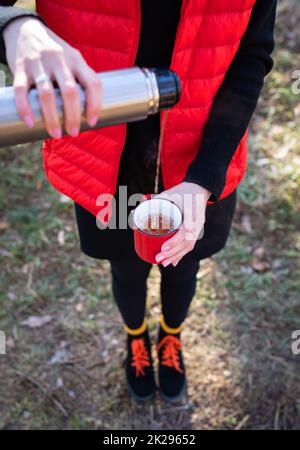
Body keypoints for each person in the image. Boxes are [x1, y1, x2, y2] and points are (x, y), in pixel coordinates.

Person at [0, 1, 276, 402]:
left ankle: (171, 337)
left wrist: (204, 178)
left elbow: (251, 55)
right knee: (126, 266)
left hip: (200, 157)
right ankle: (135, 338)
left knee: (183, 266)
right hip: (107, 159)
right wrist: (14, 25)